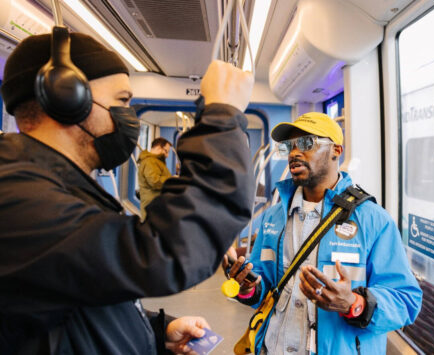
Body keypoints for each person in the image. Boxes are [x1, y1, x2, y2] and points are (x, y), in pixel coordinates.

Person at [0, 30, 254, 354]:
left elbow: (78, 302)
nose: (129, 117)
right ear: (67, 98)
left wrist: (155, 331)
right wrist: (222, 117)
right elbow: (164, 254)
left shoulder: (62, 187)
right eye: (122, 101)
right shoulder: (16, 199)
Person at [224, 112, 422, 355]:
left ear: (336, 150)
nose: (295, 152)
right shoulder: (273, 217)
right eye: (290, 146)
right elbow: (263, 287)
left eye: (307, 143)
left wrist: (354, 304)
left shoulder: (373, 220)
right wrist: (248, 287)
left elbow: (406, 300)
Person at [138, 137, 173, 220]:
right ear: (158, 147)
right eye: (166, 151)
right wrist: (171, 180)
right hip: (152, 206)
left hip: (156, 205)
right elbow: (154, 182)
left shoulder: (156, 162)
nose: (167, 155)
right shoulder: (150, 162)